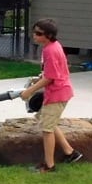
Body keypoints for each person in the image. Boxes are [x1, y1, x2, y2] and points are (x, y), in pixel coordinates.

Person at [20, 18, 82, 173]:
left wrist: (30, 90)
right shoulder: (53, 46)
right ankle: (70, 153)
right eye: (34, 32)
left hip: (57, 93)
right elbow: (52, 72)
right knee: (46, 120)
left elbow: (51, 78)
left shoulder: (50, 50)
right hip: (59, 91)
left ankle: (49, 165)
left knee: (47, 129)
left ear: (48, 35)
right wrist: (40, 77)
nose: (34, 35)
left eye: (38, 33)